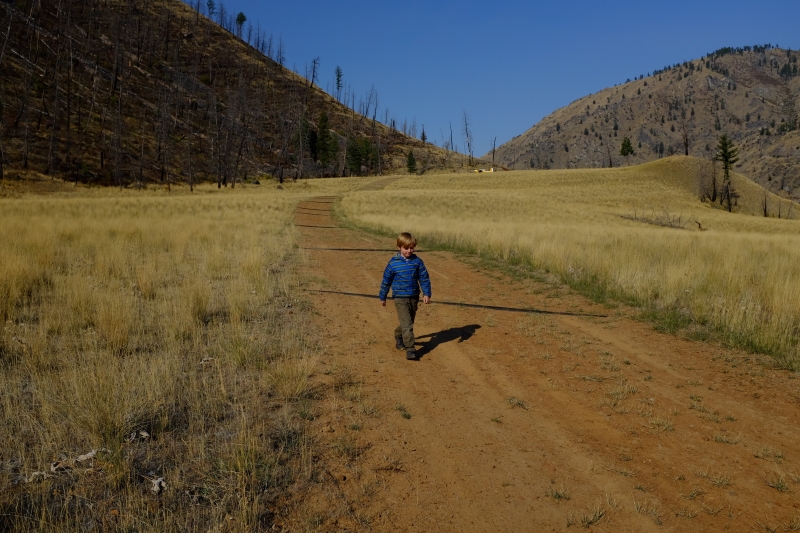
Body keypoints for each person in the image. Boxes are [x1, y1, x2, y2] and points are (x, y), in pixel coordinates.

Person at [379, 232, 432, 360]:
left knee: (409, 322)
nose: (409, 251)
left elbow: (424, 278)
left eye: (412, 248)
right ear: (399, 247)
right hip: (399, 297)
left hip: (414, 296)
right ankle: (410, 348)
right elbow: (386, 280)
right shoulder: (393, 263)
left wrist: (426, 293)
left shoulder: (417, 262)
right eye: (406, 248)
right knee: (407, 324)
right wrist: (383, 296)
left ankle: (398, 334)